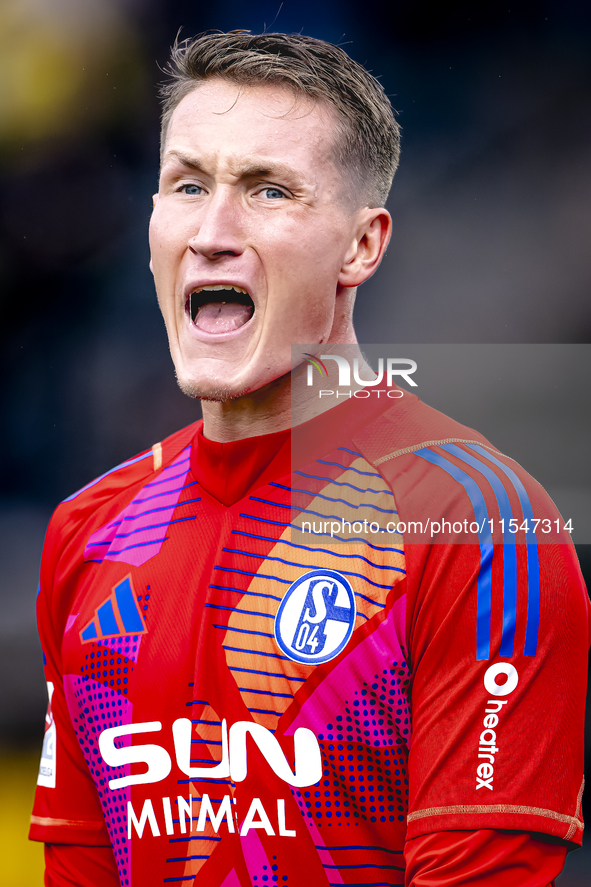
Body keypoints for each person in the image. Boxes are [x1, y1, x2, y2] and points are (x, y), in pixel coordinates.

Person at [29, 31, 588, 887]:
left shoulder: (475, 521)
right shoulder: (88, 531)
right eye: (187, 184)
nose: (213, 231)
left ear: (361, 247)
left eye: (267, 190)